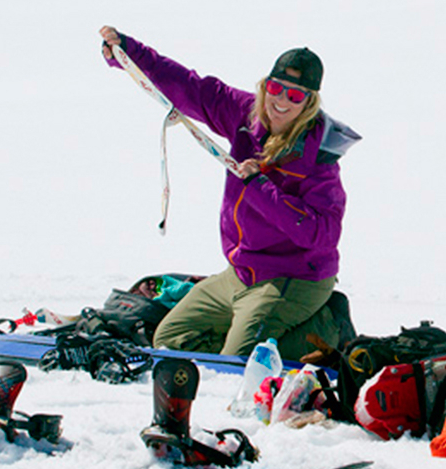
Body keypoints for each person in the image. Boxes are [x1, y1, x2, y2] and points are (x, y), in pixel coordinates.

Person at [98, 26, 359, 358]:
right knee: (169, 340)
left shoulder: (319, 159)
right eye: (277, 88)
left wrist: (259, 188)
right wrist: (129, 54)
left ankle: (326, 328)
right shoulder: (245, 115)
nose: (281, 101)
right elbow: (190, 87)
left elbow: (320, 233)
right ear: (266, 86)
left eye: (295, 96)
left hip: (293, 279)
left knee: (237, 364)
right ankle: (251, 329)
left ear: (309, 103)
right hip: (241, 273)